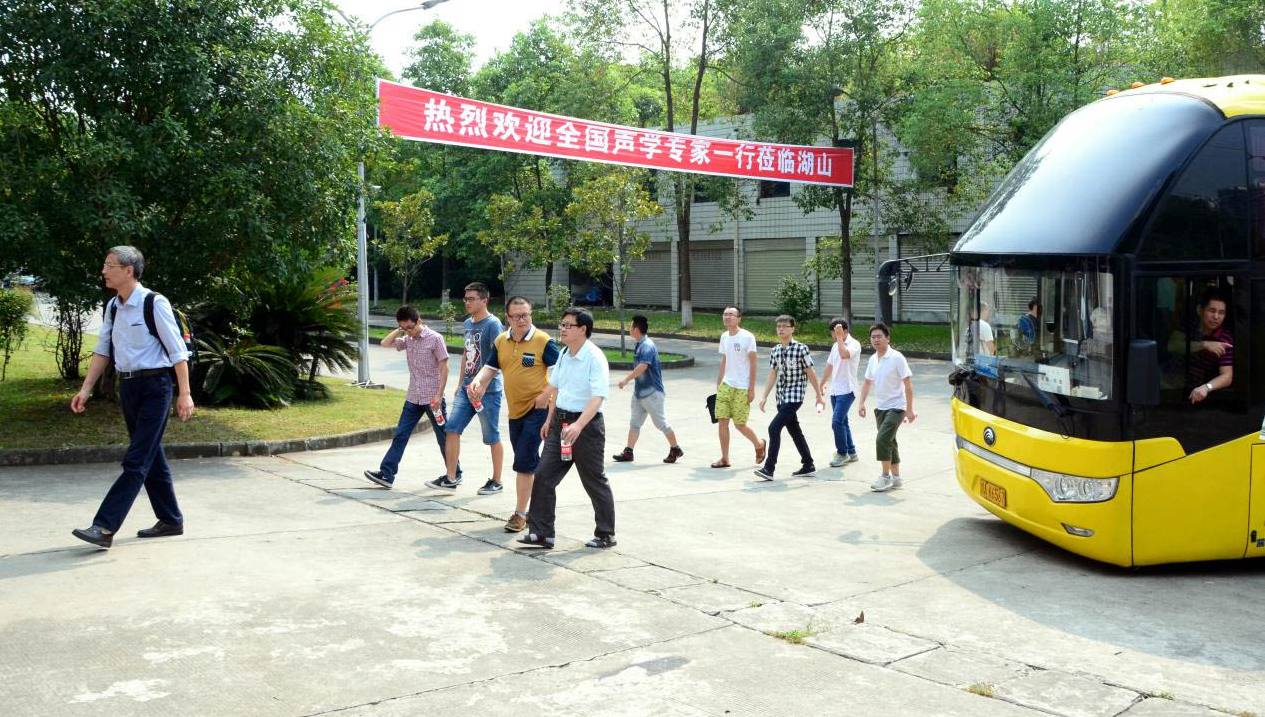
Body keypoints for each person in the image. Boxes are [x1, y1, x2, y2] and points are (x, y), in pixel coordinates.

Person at [69, 246, 195, 548]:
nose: (103, 271)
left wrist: (185, 394)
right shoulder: (113, 306)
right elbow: (103, 350)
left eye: (109, 265)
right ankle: (171, 519)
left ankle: (104, 526)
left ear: (128, 271)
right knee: (151, 455)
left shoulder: (154, 303)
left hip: (156, 387)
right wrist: (85, 389)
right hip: (128, 388)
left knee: (137, 460)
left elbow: (178, 352)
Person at [518, 308, 616, 550]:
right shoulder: (563, 353)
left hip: (586, 428)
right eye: (561, 324)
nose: (562, 329)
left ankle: (606, 534)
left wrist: (579, 425)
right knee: (543, 475)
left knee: (593, 480)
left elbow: (598, 397)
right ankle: (541, 533)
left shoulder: (594, 357)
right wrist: (549, 419)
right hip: (560, 425)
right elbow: (556, 388)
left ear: (583, 329)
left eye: (568, 325)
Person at [468, 296, 560, 532]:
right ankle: (537, 504)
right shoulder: (502, 341)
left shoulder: (544, 341)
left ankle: (521, 514)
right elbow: (490, 368)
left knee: (524, 461)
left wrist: (546, 396)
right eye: (517, 316)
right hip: (515, 412)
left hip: (538, 410)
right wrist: (478, 382)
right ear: (507, 318)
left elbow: (561, 373)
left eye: (526, 315)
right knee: (526, 460)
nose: (522, 320)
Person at [362, 306, 459, 489]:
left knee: (443, 437)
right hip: (413, 397)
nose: (409, 331)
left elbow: (444, 367)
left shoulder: (435, 339)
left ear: (419, 321)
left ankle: (455, 474)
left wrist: (439, 395)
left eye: (410, 327)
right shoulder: (408, 339)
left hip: (433, 398)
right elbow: (385, 343)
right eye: (404, 328)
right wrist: (401, 330)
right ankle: (387, 474)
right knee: (401, 435)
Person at [427, 282, 505, 494]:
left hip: (487, 391)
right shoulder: (469, 323)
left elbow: (499, 359)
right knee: (452, 428)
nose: (467, 303)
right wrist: (461, 383)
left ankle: (497, 480)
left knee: (491, 435)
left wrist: (483, 384)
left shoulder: (493, 325)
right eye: (465, 299)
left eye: (471, 299)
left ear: (484, 300)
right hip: (467, 388)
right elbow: (466, 354)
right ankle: (451, 477)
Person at [753, 315, 825, 480]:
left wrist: (819, 395)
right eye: (778, 326)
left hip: (795, 396)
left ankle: (769, 468)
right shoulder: (776, 350)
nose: (781, 329)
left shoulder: (801, 348)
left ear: (792, 329)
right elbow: (773, 373)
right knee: (795, 431)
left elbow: (810, 372)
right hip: (781, 397)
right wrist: (764, 396)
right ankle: (808, 464)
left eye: (785, 326)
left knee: (773, 428)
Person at [612, 315, 683, 464]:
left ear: (636, 329)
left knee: (661, 424)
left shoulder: (647, 346)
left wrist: (626, 380)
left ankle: (675, 448)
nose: (629, 329)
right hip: (639, 393)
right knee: (634, 423)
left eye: (631, 326)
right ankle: (628, 452)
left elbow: (643, 366)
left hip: (652, 393)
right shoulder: (640, 344)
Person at [856, 323, 917, 493]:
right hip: (881, 407)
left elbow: (908, 384)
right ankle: (896, 478)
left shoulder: (897, 357)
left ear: (887, 338)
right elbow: (867, 382)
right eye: (873, 337)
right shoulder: (872, 359)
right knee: (890, 441)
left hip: (897, 407)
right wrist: (861, 403)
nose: (876, 340)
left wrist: (910, 409)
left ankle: (885, 476)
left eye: (879, 336)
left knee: (882, 439)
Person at [712, 305, 765, 468]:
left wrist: (751, 388)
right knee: (722, 421)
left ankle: (759, 444)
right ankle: (725, 458)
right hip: (726, 385)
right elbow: (725, 359)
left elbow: (754, 363)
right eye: (725, 314)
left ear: (739, 318)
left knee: (740, 424)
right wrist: (719, 381)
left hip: (742, 387)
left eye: (731, 314)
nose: (727, 317)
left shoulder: (747, 337)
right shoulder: (724, 337)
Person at [819, 317, 862, 467]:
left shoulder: (854, 344)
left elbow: (844, 355)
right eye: (833, 332)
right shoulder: (834, 346)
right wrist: (822, 383)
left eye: (836, 332)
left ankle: (842, 453)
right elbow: (829, 366)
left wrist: (839, 338)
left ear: (845, 331)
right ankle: (851, 452)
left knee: (836, 422)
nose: (834, 335)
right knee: (843, 422)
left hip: (848, 390)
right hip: (835, 390)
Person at [1187, 288, 1233, 404]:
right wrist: (1204, 344)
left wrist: (1207, 387)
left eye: (1221, 312)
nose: (1216, 317)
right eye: (1212, 311)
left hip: (1194, 388)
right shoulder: (1189, 326)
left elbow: (1227, 376)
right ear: (1200, 310)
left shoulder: (1225, 338)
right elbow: (1172, 345)